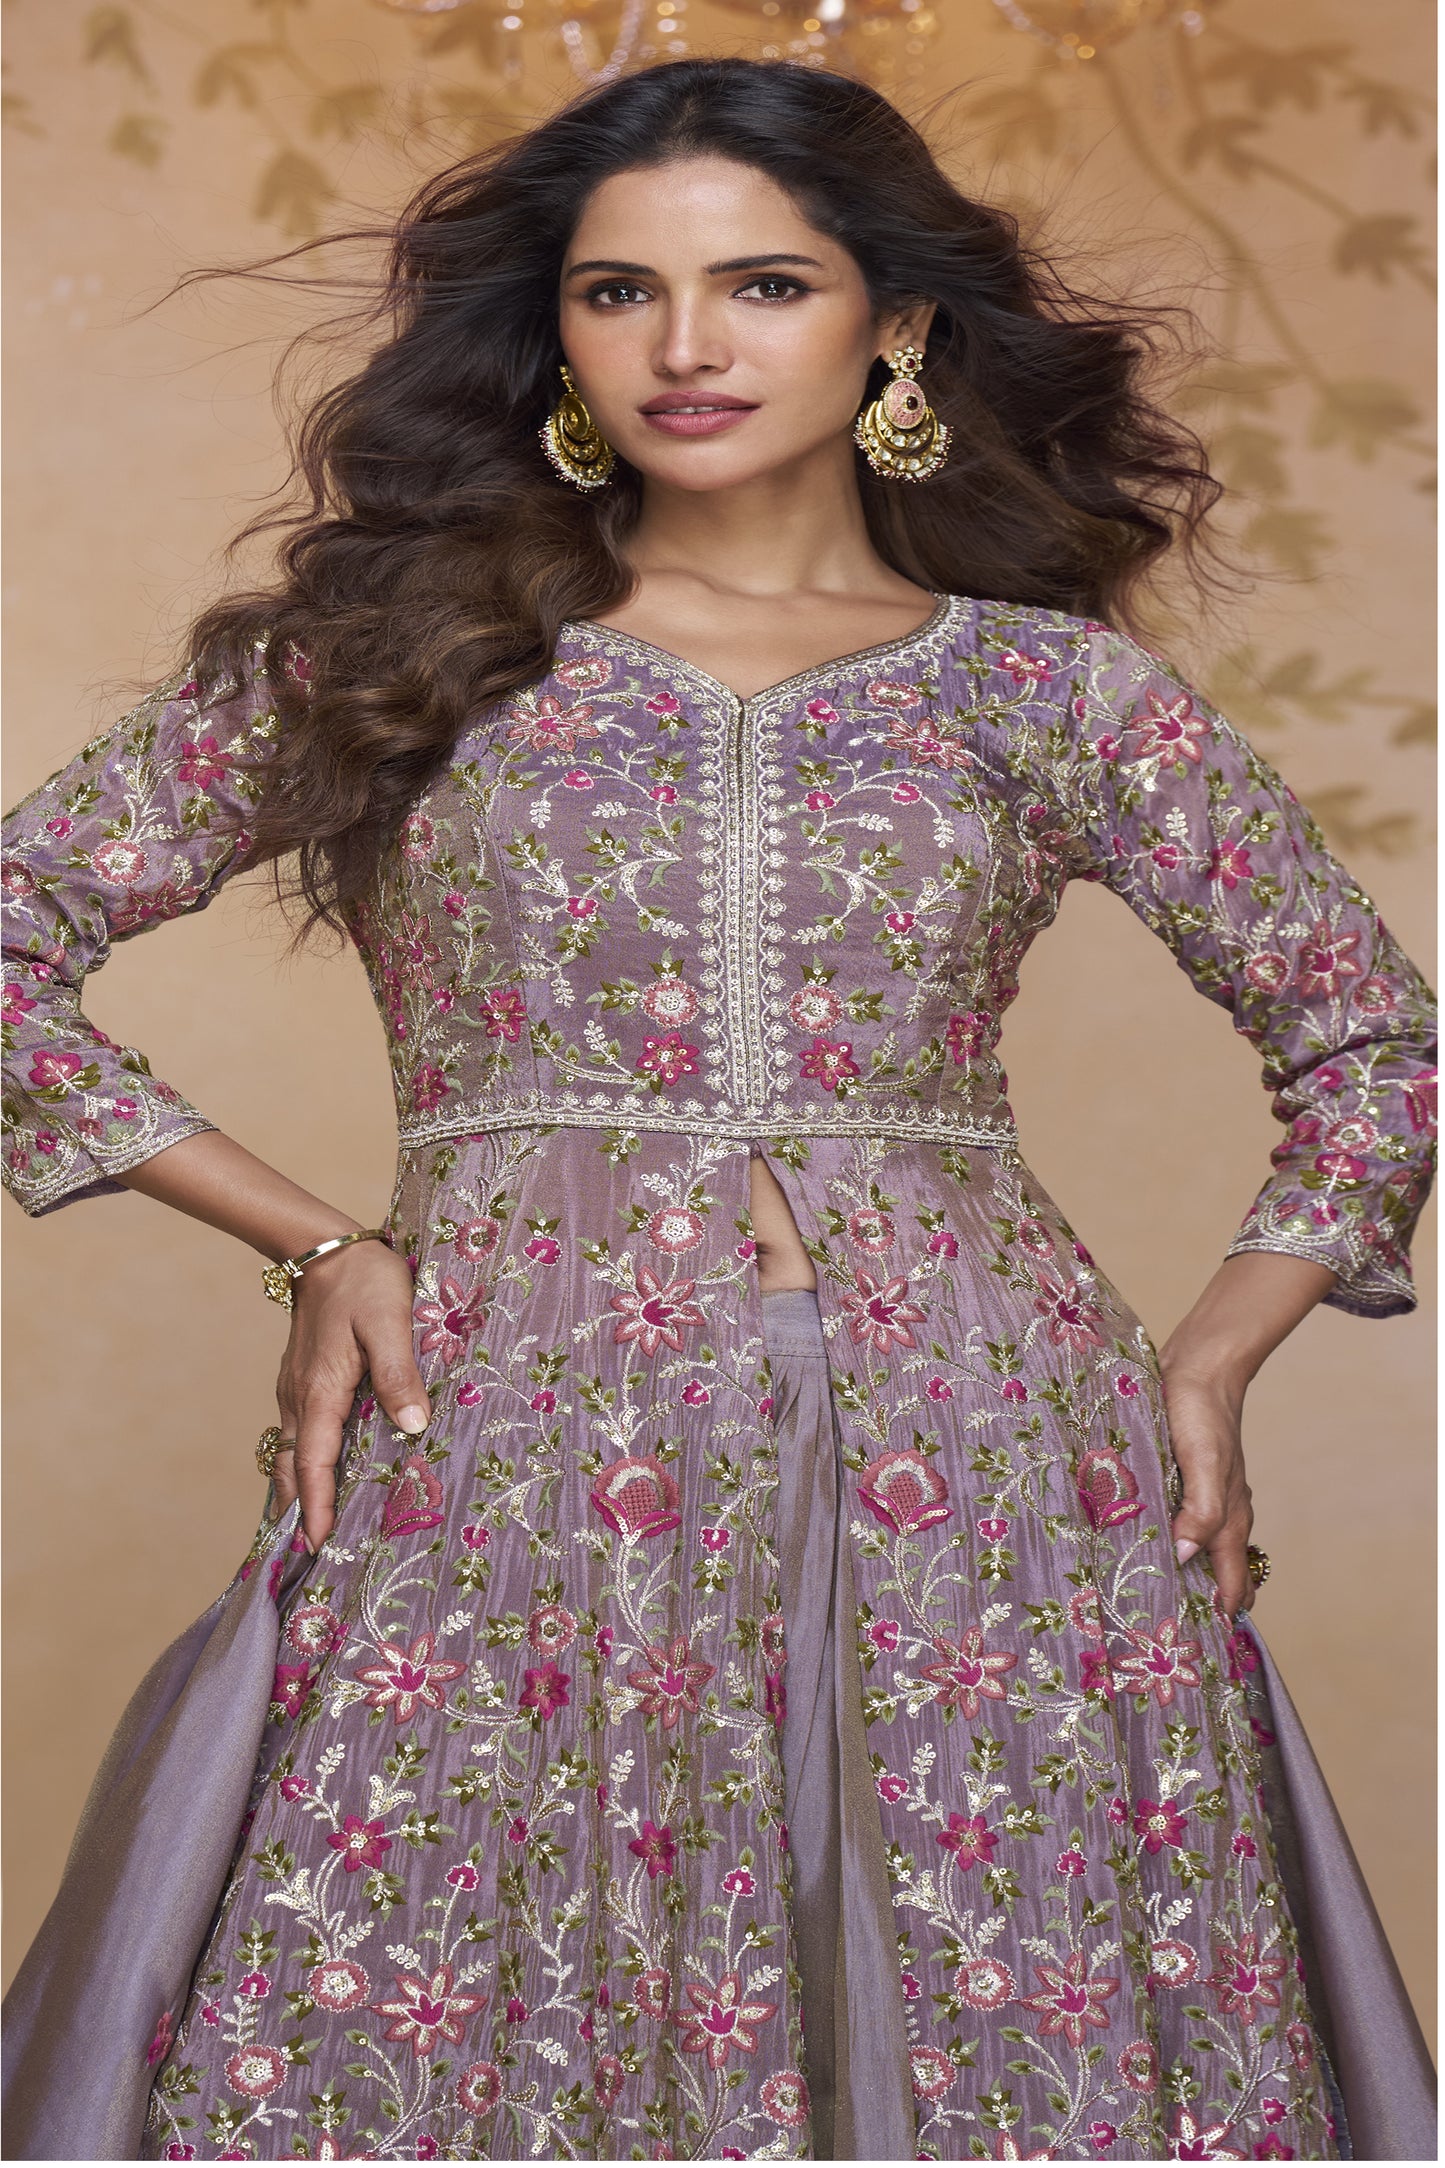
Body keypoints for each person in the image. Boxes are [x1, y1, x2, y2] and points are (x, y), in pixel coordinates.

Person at [0, 54, 1435, 2166]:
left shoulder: (1040, 689)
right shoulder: (414, 643)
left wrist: (1214, 1353)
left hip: (995, 1464)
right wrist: (319, 1239)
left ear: (901, 328)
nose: (686, 347)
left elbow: (1375, 1041)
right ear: (556, 335)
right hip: (506, 1433)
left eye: (763, 284)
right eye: (619, 294)